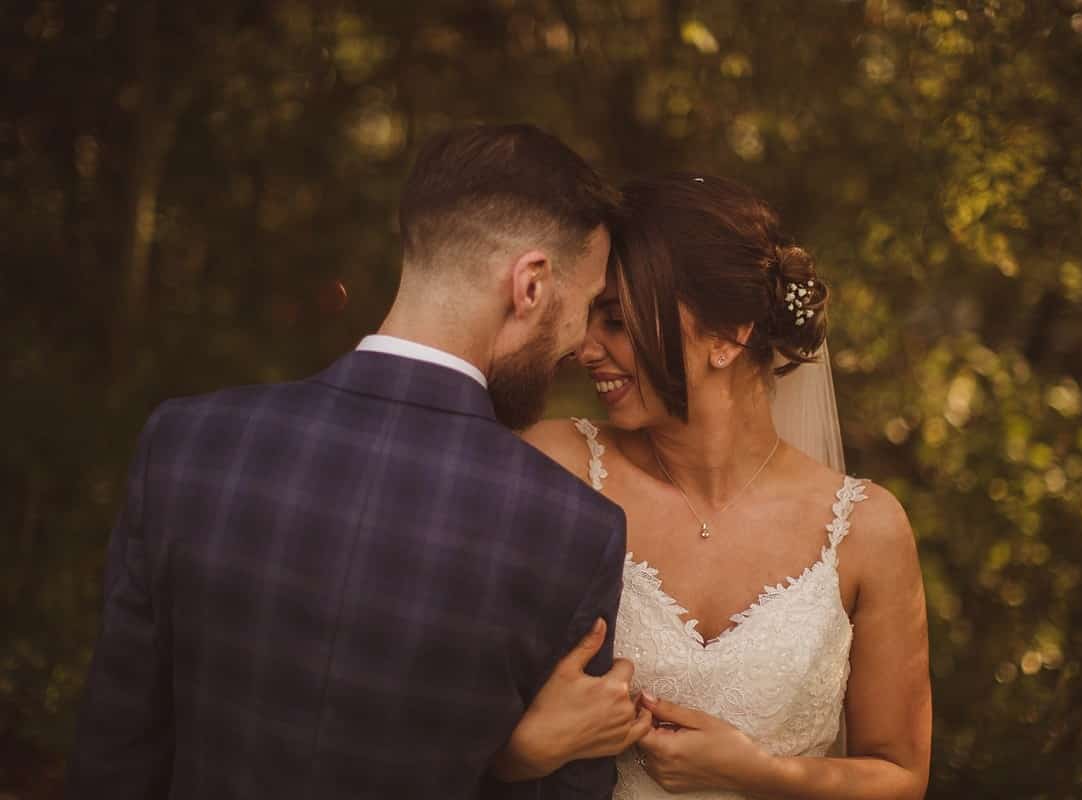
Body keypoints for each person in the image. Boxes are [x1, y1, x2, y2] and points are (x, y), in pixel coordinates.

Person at [67, 124, 652, 799]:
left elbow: (114, 749)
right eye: (584, 307)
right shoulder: (573, 529)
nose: (578, 344)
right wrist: (516, 761)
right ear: (530, 286)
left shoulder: (187, 445)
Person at [496, 175, 932, 799]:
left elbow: (901, 778)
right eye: (590, 318)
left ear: (728, 336)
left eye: (616, 321)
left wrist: (757, 773)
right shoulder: (552, 468)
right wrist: (523, 747)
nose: (585, 348)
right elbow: (444, 701)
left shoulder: (868, 531)